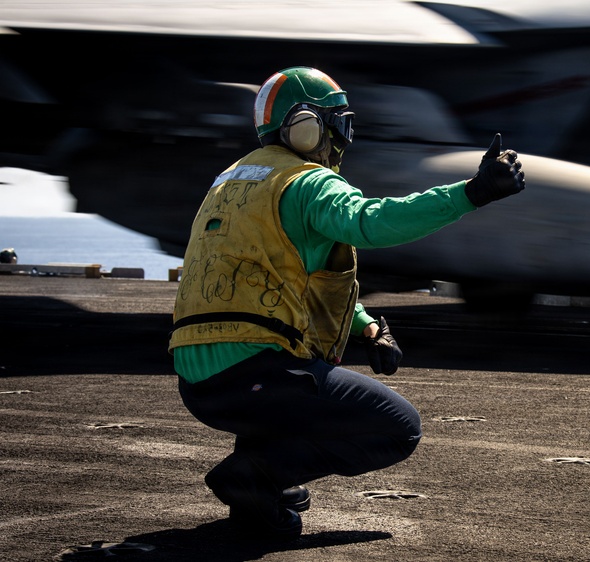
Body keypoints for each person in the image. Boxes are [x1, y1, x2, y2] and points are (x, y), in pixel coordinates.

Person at [168, 66, 525, 540]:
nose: (341, 143)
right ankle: (253, 476)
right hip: (256, 370)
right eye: (341, 127)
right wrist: (471, 194)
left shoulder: (230, 182)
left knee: (290, 408)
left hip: (200, 384)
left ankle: (258, 500)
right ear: (307, 127)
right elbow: (370, 222)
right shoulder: (306, 182)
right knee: (399, 428)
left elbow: (293, 278)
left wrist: (364, 327)